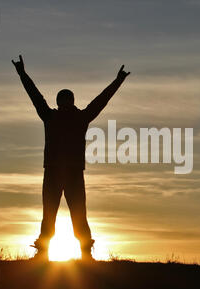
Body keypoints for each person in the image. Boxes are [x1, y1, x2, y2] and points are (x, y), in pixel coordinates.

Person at [12, 55, 130, 261]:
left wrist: (118, 81)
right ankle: (44, 252)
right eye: (63, 100)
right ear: (60, 102)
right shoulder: (54, 117)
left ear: (69, 102)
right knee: (49, 215)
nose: (65, 104)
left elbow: (101, 100)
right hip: (54, 172)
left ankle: (85, 253)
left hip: (72, 174)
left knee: (78, 215)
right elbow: (35, 95)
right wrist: (22, 73)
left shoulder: (77, 118)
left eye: (66, 100)